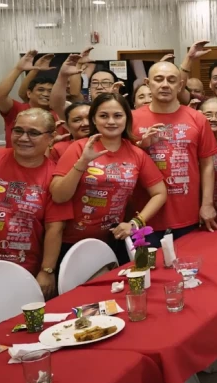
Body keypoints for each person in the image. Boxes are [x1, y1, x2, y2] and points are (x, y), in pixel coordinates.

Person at [0, 108, 67, 298]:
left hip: (24, 266)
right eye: (18, 131)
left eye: (33, 133)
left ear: (50, 138)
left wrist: (47, 270)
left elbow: (55, 228)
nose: (23, 138)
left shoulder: (56, 176)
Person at [51, 93, 167, 262]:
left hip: (113, 239)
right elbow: (58, 196)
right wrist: (83, 162)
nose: (111, 122)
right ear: (94, 120)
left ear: (127, 119)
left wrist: (135, 223)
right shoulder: (79, 148)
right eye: (104, 116)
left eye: (118, 116)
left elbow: (160, 193)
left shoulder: (136, 153)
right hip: (72, 242)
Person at [131, 62, 217, 241]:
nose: (165, 85)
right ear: (148, 83)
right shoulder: (131, 119)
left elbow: (207, 164)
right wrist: (141, 145)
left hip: (187, 215)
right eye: (158, 79)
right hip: (143, 217)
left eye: (171, 80)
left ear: (180, 85)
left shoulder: (198, 119)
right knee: (148, 268)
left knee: (186, 267)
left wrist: (207, 203)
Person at [0, 50, 57, 146]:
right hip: (15, 158)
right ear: (29, 93)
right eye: (41, 90)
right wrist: (18, 69)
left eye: (50, 91)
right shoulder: (17, 109)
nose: (46, 94)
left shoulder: (59, 113)